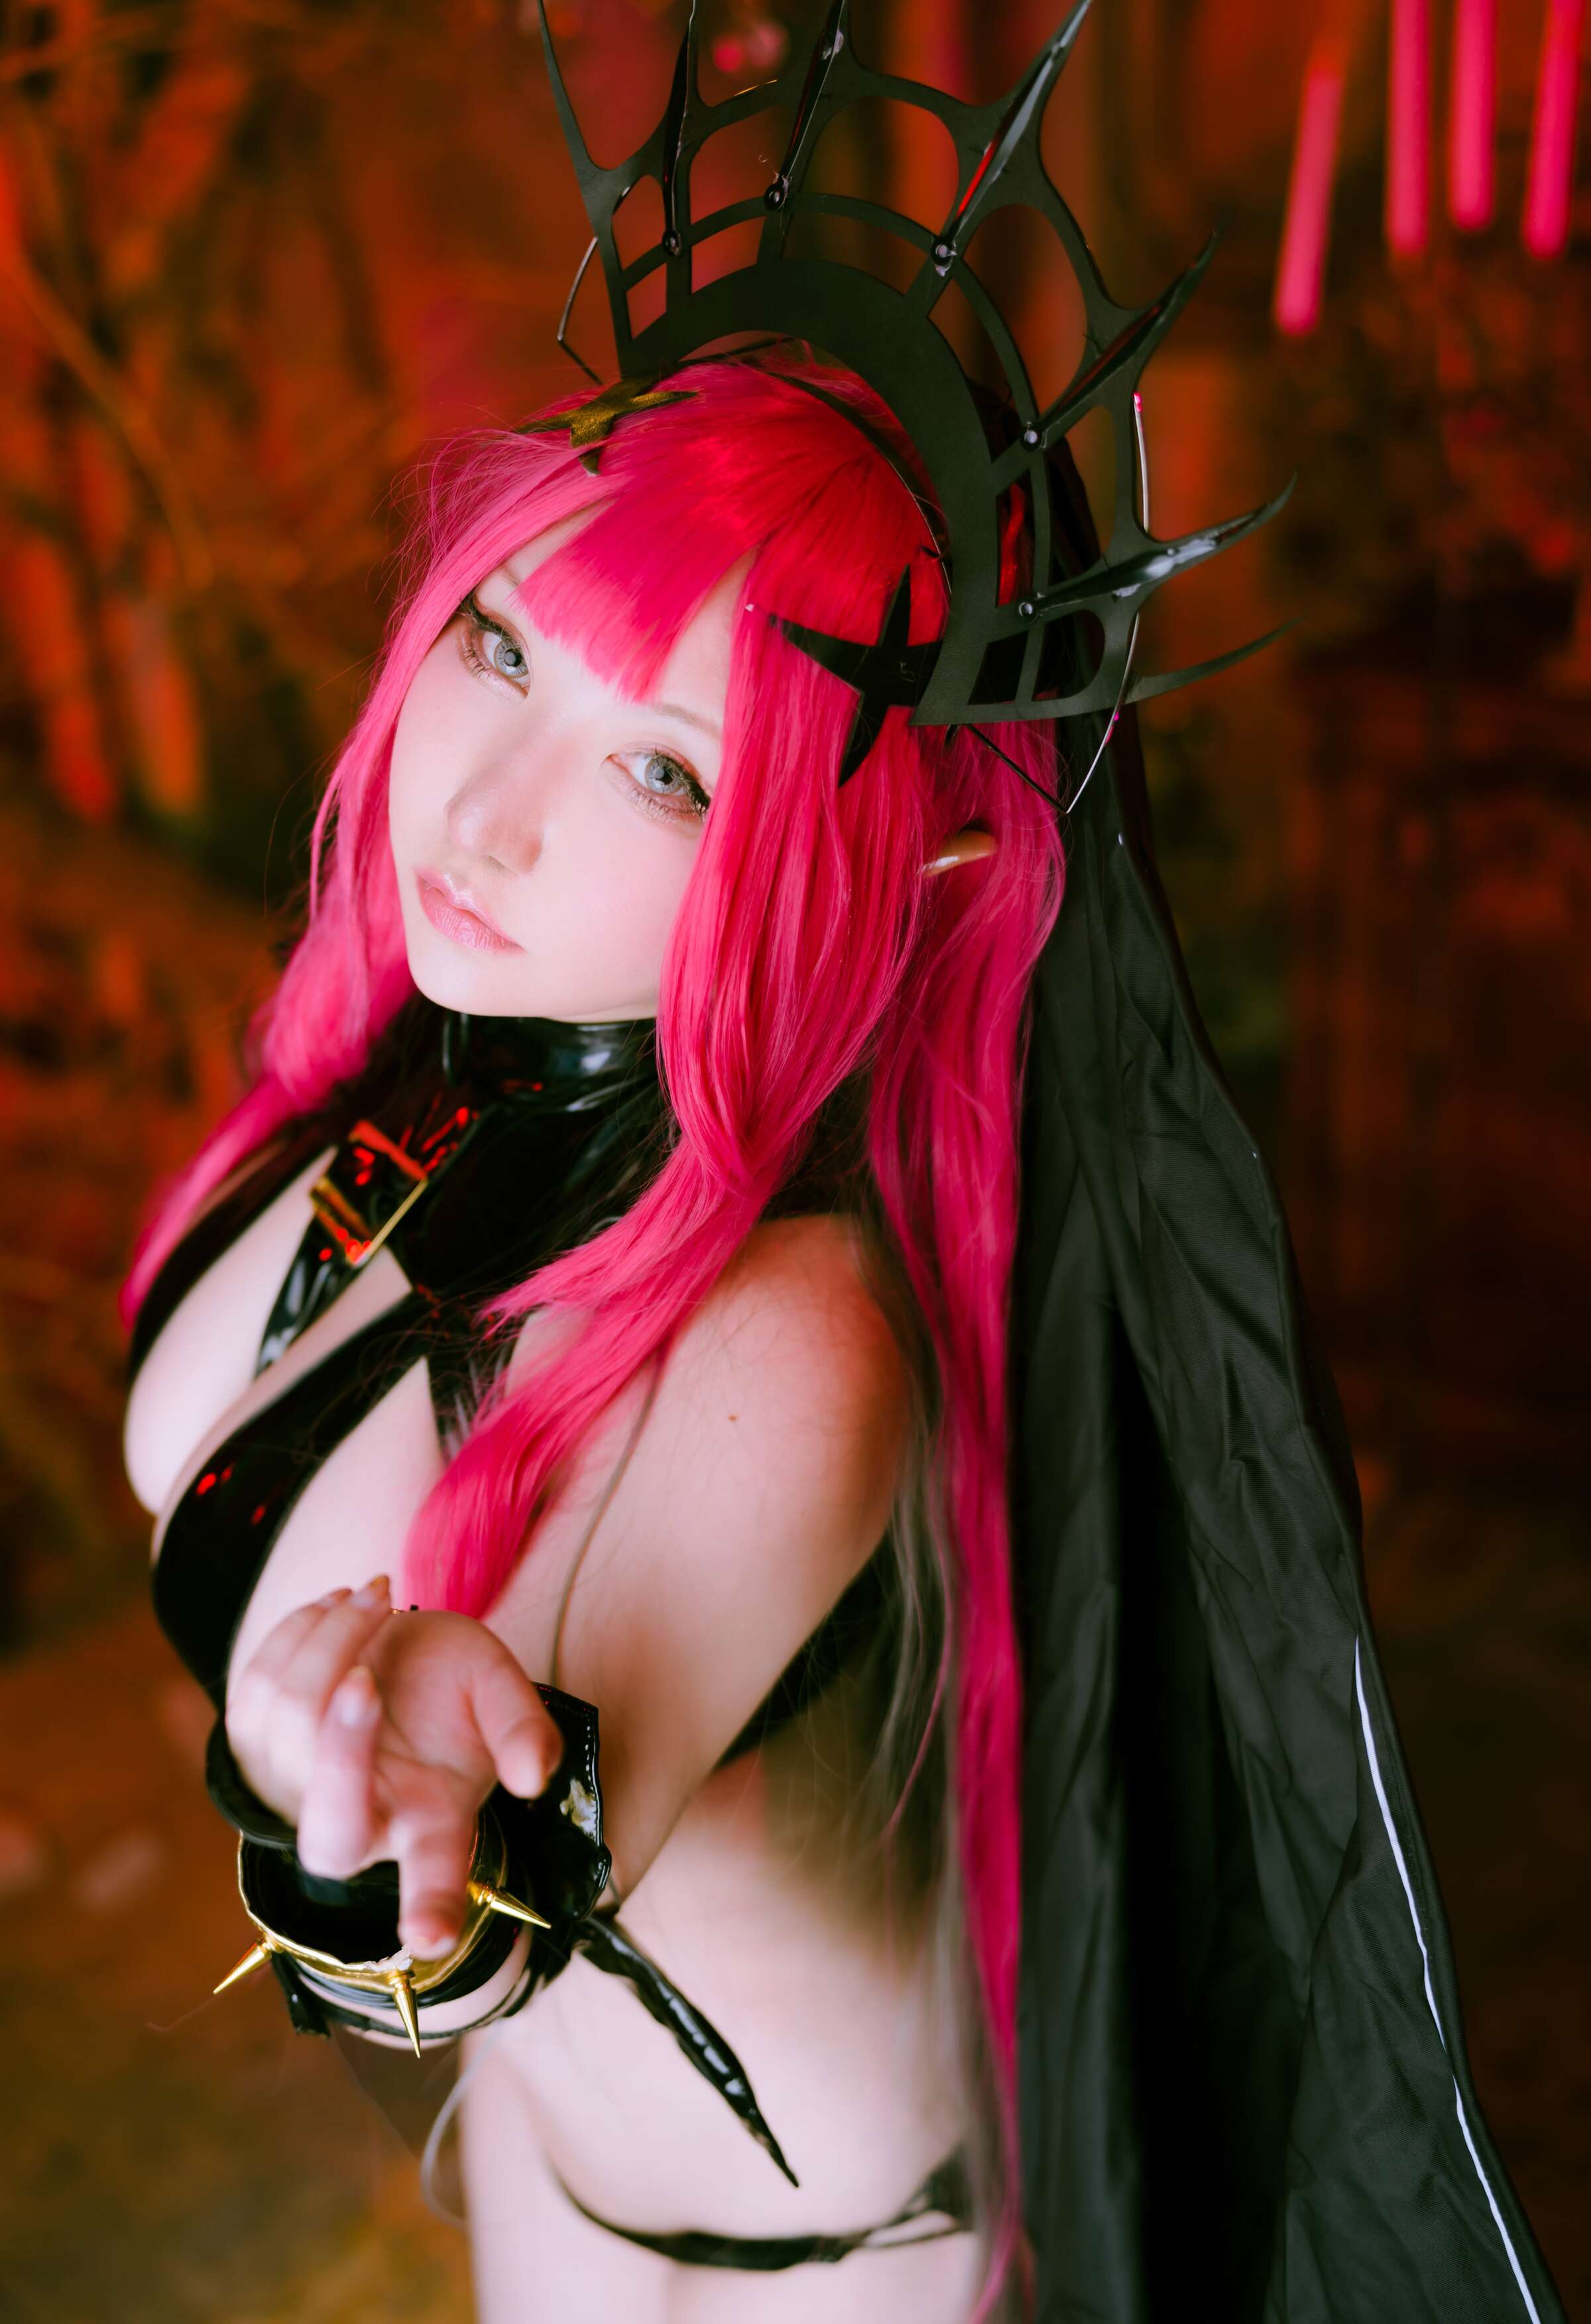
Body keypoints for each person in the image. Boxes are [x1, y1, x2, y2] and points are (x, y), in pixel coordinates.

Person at [121, 355, 1056, 2321]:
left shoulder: (798, 1332)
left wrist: (403, 1831)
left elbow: (522, 1860)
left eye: (667, 772)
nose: (485, 812)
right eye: (499, 644)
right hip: (546, 2164)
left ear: (899, 875)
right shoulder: (418, 1095)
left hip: (829, 2264)